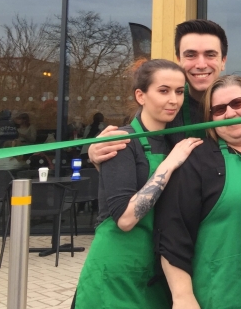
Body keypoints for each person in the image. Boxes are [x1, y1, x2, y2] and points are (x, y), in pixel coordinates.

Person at [74, 59, 202, 309]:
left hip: (155, 272)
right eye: (163, 91)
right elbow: (125, 218)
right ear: (141, 95)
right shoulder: (121, 142)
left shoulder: (171, 141)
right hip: (117, 271)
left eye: (179, 92)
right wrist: (169, 164)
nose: (174, 100)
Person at [156, 75, 241, 309]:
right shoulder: (197, 161)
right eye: (219, 109)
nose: (230, 113)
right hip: (221, 294)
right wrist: (182, 296)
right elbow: (174, 233)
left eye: (237, 103)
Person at [88, 19, 241, 165]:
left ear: (223, 61)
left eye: (210, 55)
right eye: (191, 55)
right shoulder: (166, 104)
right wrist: (96, 153)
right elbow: (138, 155)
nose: (201, 64)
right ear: (179, 59)